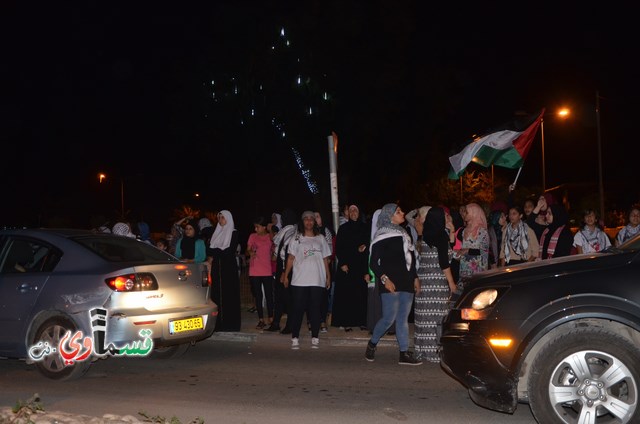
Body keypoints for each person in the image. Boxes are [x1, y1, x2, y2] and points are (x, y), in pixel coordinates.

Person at [365, 203, 422, 366]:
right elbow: (374, 263)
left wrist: (415, 278)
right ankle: (372, 343)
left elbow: (410, 259)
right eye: (398, 212)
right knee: (389, 318)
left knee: (402, 318)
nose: (402, 213)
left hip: (406, 281)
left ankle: (403, 353)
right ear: (389, 216)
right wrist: (384, 279)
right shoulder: (382, 234)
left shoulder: (405, 234)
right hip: (390, 281)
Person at [281, 211, 332, 350]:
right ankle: (295, 337)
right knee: (297, 309)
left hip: (317, 280)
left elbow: (325, 259)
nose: (309, 222)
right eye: (306, 220)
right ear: (302, 222)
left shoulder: (321, 238)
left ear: (314, 222)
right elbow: (290, 258)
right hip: (299, 281)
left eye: (311, 219)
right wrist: (286, 275)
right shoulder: (296, 238)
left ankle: (315, 337)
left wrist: (328, 276)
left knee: (315, 309)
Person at [413, 206, 457, 363]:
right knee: (437, 317)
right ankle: (434, 352)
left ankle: (421, 350)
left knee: (424, 316)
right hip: (437, 284)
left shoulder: (424, 235)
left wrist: (451, 233)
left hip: (424, 283)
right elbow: (445, 262)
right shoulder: (440, 236)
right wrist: (451, 283)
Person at [332, 204, 369, 332]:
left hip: (360, 267)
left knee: (360, 296)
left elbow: (367, 248)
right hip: (346, 267)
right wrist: (342, 263)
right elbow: (339, 248)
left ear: (359, 213)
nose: (353, 212)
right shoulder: (343, 228)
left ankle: (361, 322)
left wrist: (366, 271)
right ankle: (346, 322)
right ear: (348, 213)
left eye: (356, 210)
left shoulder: (365, 228)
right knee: (347, 296)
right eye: (351, 210)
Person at [208, 210, 242, 332]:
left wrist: (217, 252)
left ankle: (230, 324)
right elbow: (211, 250)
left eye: (223, 217)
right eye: (219, 217)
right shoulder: (216, 233)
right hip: (217, 268)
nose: (220, 219)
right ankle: (218, 325)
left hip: (228, 268)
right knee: (217, 294)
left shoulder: (233, 233)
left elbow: (229, 251)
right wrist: (218, 252)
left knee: (229, 295)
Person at [246, 216, 275, 330]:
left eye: (257, 227)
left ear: (264, 227)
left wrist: (271, 229)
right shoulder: (252, 236)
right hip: (254, 270)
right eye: (255, 227)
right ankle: (261, 319)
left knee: (269, 295)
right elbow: (247, 250)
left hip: (267, 270)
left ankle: (271, 318)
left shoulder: (269, 237)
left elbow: (275, 247)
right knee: (258, 296)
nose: (255, 229)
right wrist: (250, 252)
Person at [456, 202, 489, 290]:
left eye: (467, 212)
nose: (464, 214)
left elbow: (484, 252)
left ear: (474, 213)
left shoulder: (482, 231)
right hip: (465, 268)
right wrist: (459, 253)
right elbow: (463, 247)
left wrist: (467, 251)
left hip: (477, 269)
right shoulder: (464, 231)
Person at [314, 211, 335, 333]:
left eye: (317, 216)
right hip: (311, 269)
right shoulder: (307, 233)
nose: (315, 219)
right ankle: (312, 320)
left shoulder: (325, 231)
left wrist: (326, 272)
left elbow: (329, 251)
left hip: (323, 268)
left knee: (323, 296)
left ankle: (322, 321)